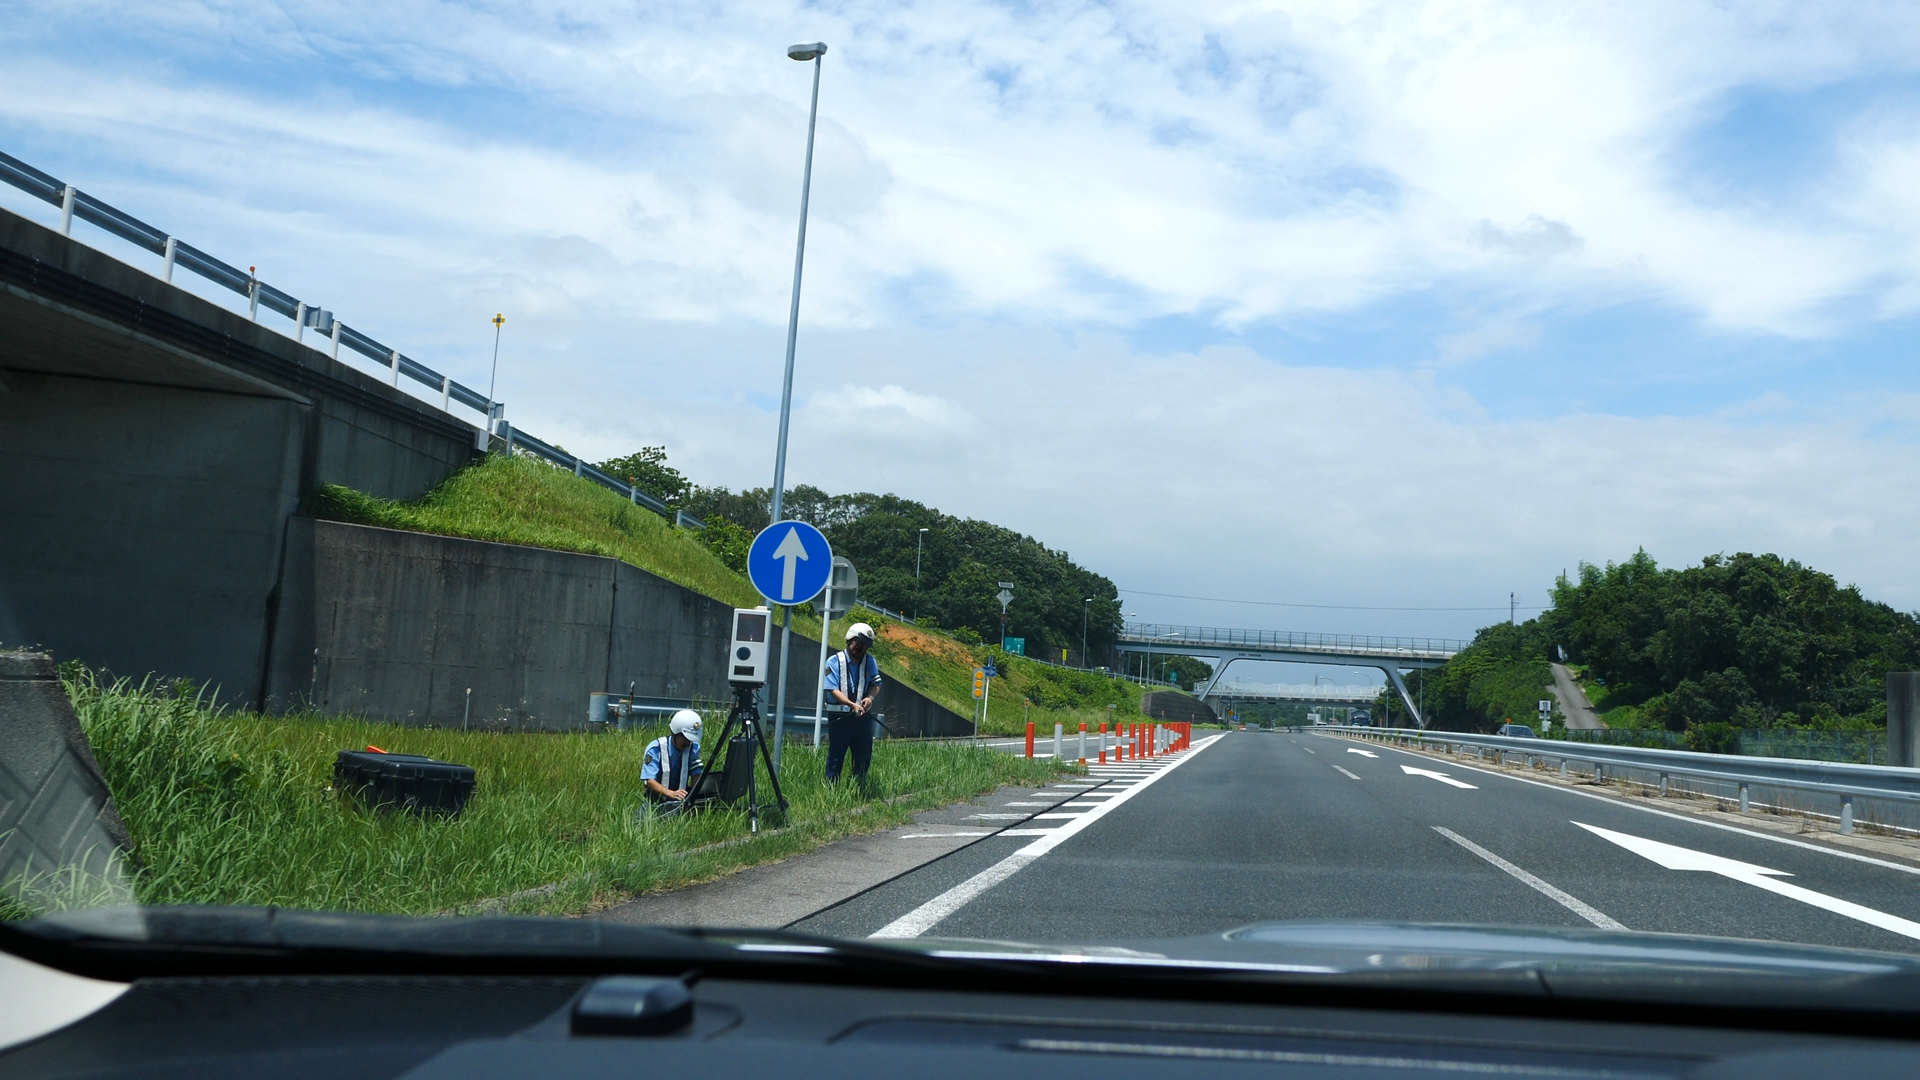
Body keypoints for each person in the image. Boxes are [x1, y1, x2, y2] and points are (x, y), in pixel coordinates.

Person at [822, 622, 883, 784]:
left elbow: (876, 684)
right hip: (840, 717)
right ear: (849, 639)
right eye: (857, 642)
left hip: (862, 717)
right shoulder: (833, 662)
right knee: (836, 756)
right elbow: (832, 689)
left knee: (863, 756)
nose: (860, 647)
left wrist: (870, 698)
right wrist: (851, 704)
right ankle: (831, 789)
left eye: (864, 645)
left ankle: (859, 787)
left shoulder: (870, 661)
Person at [641, 709, 704, 817]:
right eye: (686, 739)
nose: (688, 743)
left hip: (681, 801)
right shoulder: (656, 749)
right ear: (676, 733)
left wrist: (695, 796)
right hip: (656, 801)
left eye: (691, 740)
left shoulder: (694, 747)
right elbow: (650, 781)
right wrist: (671, 793)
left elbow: (696, 774)